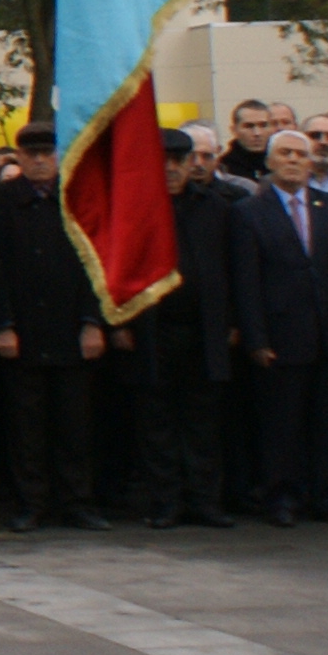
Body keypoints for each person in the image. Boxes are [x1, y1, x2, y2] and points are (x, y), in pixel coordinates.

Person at [231, 127, 328, 526]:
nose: (292, 160)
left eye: (299, 154)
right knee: (281, 424)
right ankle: (281, 497)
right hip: (280, 336)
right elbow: (245, 282)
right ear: (269, 163)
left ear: (310, 162)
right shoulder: (249, 212)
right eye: (283, 153)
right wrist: (256, 338)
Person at [145, 133, 241, 530]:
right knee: (158, 423)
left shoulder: (217, 208)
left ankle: (205, 500)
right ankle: (165, 503)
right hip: (154, 331)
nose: (170, 169)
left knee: (203, 423)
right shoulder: (138, 210)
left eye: (178, 161)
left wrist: (233, 322)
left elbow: (234, 269)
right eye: (162, 161)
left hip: (204, 331)